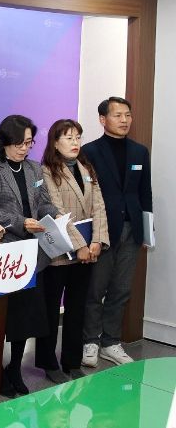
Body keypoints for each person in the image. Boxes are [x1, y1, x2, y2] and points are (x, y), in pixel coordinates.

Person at [0, 114, 59, 397]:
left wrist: (54, 216)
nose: (25, 148)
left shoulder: (35, 169)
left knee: (27, 316)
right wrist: (22, 222)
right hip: (6, 252)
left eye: (29, 143)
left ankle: (15, 367)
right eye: (20, 143)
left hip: (33, 253)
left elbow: (44, 201)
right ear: (5, 142)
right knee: (5, 315)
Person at [34, 119, 109, 383]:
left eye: (77, 137)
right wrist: (80, 246)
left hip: (87, 253)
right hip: (59, 253)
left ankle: (72, 361)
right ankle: (48, 363)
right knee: (51, 309)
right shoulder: (46, 171)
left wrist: (97, 241)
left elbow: (99, 206)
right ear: (55, 143)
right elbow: (57, 212)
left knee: (77, 309)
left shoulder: (86, 168)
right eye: (68, 138)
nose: (75, 142)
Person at [81, 97, 152, 367]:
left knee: (121, 290)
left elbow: (145, 192)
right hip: (102, 230)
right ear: (103, 119)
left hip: (132, 229)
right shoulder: (89, 151)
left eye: (128, 115)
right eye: (118, 115)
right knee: (95, 289)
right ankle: (90, 341)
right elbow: (86, 196)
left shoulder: (139, 152)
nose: (124, 120)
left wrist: (147, 230)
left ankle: (111, 342)